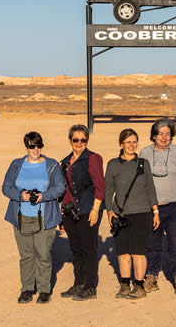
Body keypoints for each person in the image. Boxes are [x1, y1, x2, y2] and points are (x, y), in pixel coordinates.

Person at [1, 131, 66, 304]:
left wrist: (42, 196)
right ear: (26, 147)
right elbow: (6, 187)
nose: (36, 149)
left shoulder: (51, 165)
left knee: (43, 254)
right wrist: (20, 195)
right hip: (21, 216)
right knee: (26, 255)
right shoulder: (16, 165)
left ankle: (44, 290)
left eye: (39, 146)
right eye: (32, 146)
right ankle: (27, 289)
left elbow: (60, 188)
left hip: (44, 217)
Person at [105, 128, 160, 299]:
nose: (132, 145)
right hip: (120, 215)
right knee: (123, 253)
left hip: (142, 213)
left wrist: (155, 211)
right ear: (121, 144)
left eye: (134, 141)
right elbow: (108, 190)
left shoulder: (143, 164)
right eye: (128, 142)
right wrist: (109, 211)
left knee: (138, 252)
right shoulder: (113, 164)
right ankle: (124, 285)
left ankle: (139, 286)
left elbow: (150, 189)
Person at [138, 119, 176, 294]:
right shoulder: (144, 153)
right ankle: (152, 276)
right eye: (160, 133)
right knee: (153, 244)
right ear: (153, 135)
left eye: (168, 133)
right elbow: (139, 180)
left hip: (175, 205)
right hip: (152, 207)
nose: (164, 137)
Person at [58, 125, 106, 301]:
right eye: (76, 139)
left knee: (88, 248)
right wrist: (62, 215)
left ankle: (90, 286)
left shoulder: (93, 158)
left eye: (83, 140)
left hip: (88, 210)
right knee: (76, 249)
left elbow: (100, 186)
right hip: (70, 212)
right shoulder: (64, 162)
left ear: (87, 140)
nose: (79, 143)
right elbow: (64, 191)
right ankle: (78, 283)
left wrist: (95, 210)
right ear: (70, 140)